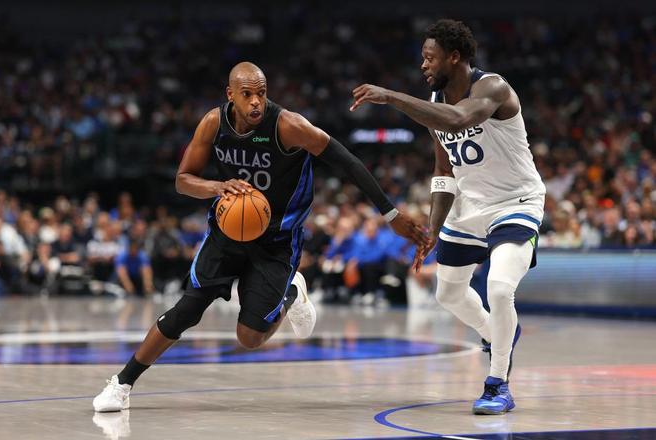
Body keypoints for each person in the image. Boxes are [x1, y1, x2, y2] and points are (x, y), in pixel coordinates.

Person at [93, 61, 427, 412]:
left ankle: (291, 293)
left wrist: (391, 214)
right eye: (247, 94)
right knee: (185, 311)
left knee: (249, 338)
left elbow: (348, 163)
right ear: (230, 95)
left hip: (276, 241)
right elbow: (183, 180)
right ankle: (122, 383)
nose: (256, 102)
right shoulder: (213, 123)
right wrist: (217, 187)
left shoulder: (288, 126)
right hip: (227, 234)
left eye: (262, 94)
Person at [350, 19, 546, 414]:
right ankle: (498, 334)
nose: (423, 65)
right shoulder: (435, 102)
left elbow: (459, 120)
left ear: (454, 57)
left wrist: (391, 97)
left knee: (499, 289)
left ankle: (498, 384)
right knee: (448, 293)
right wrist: (433, 230)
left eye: (430, 58)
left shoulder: (492, 87)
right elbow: (444, 170)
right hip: (468, 205)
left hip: (515, 202)